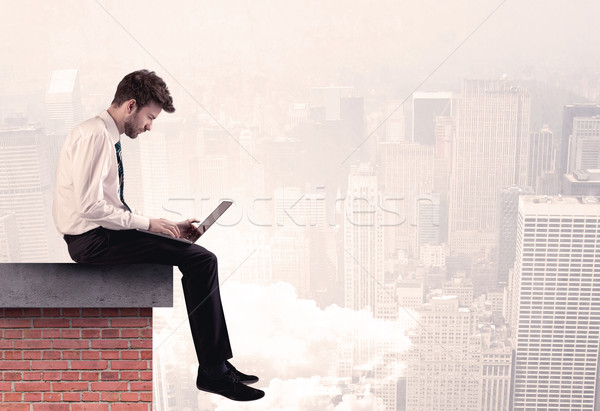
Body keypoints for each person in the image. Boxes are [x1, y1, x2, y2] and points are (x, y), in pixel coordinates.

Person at [52, 69, 264, 402]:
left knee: (191, 251)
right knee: (201, 260)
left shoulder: (104, 135)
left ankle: (218, 364)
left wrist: (165, 226)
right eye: (150, 117)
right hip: (92, 242)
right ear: (131, 106)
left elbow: (106, 205)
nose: (150, 126)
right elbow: (89, 206)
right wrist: (150, 225)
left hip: (102, 235)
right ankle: (213, 372)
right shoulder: (95, 136)